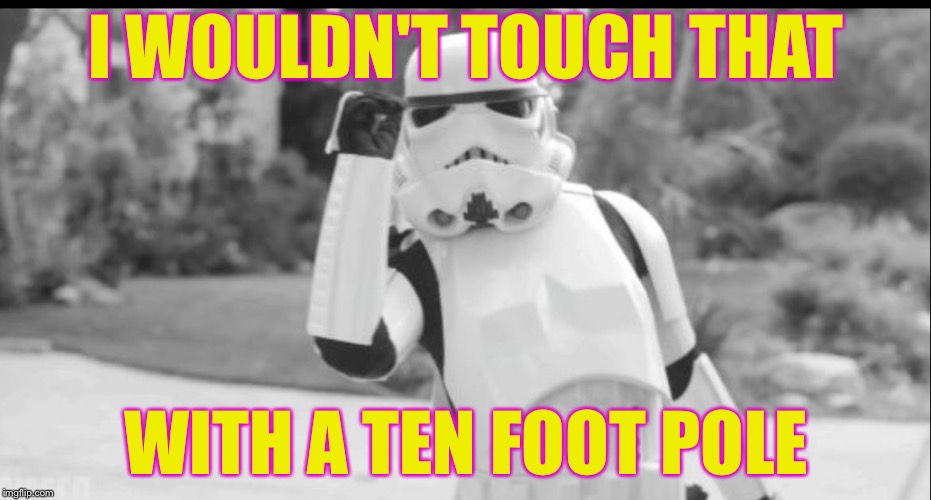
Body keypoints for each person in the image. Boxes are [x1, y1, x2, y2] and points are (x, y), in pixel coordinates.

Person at [307, 31, 771, 500]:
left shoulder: (621, 223)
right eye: (437, 116)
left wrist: (754, 495)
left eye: (503, 108)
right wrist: (361, 172)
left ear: (543, 114)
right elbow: (354, 350)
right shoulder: (427, 262)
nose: (475, 146)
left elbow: (684, 375)